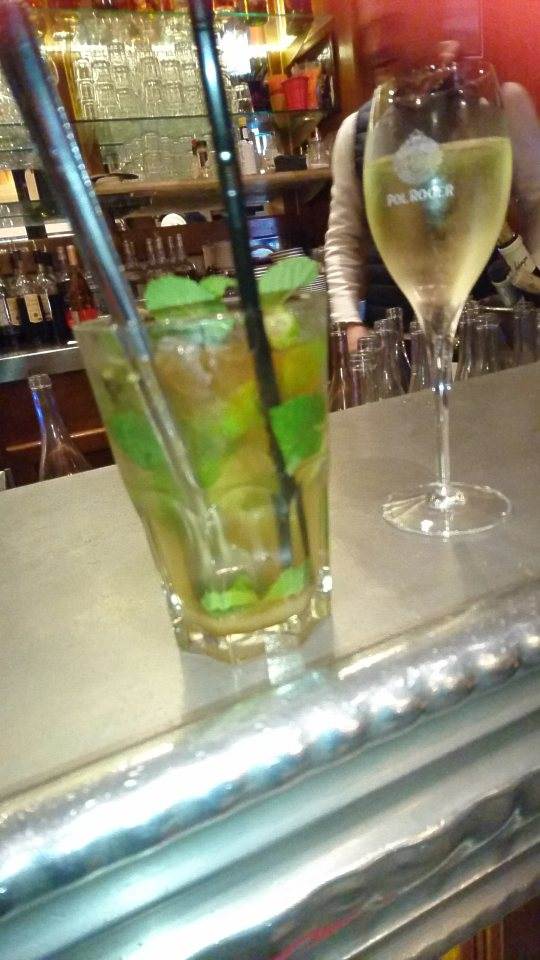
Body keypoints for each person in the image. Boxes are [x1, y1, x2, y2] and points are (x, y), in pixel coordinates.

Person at [325, 76, 540, 351]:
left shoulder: (496, 111)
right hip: (397, 339)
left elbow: (535, 205)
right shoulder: (356, 131)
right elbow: (344, 239)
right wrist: (349, 323)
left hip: (488, 334)